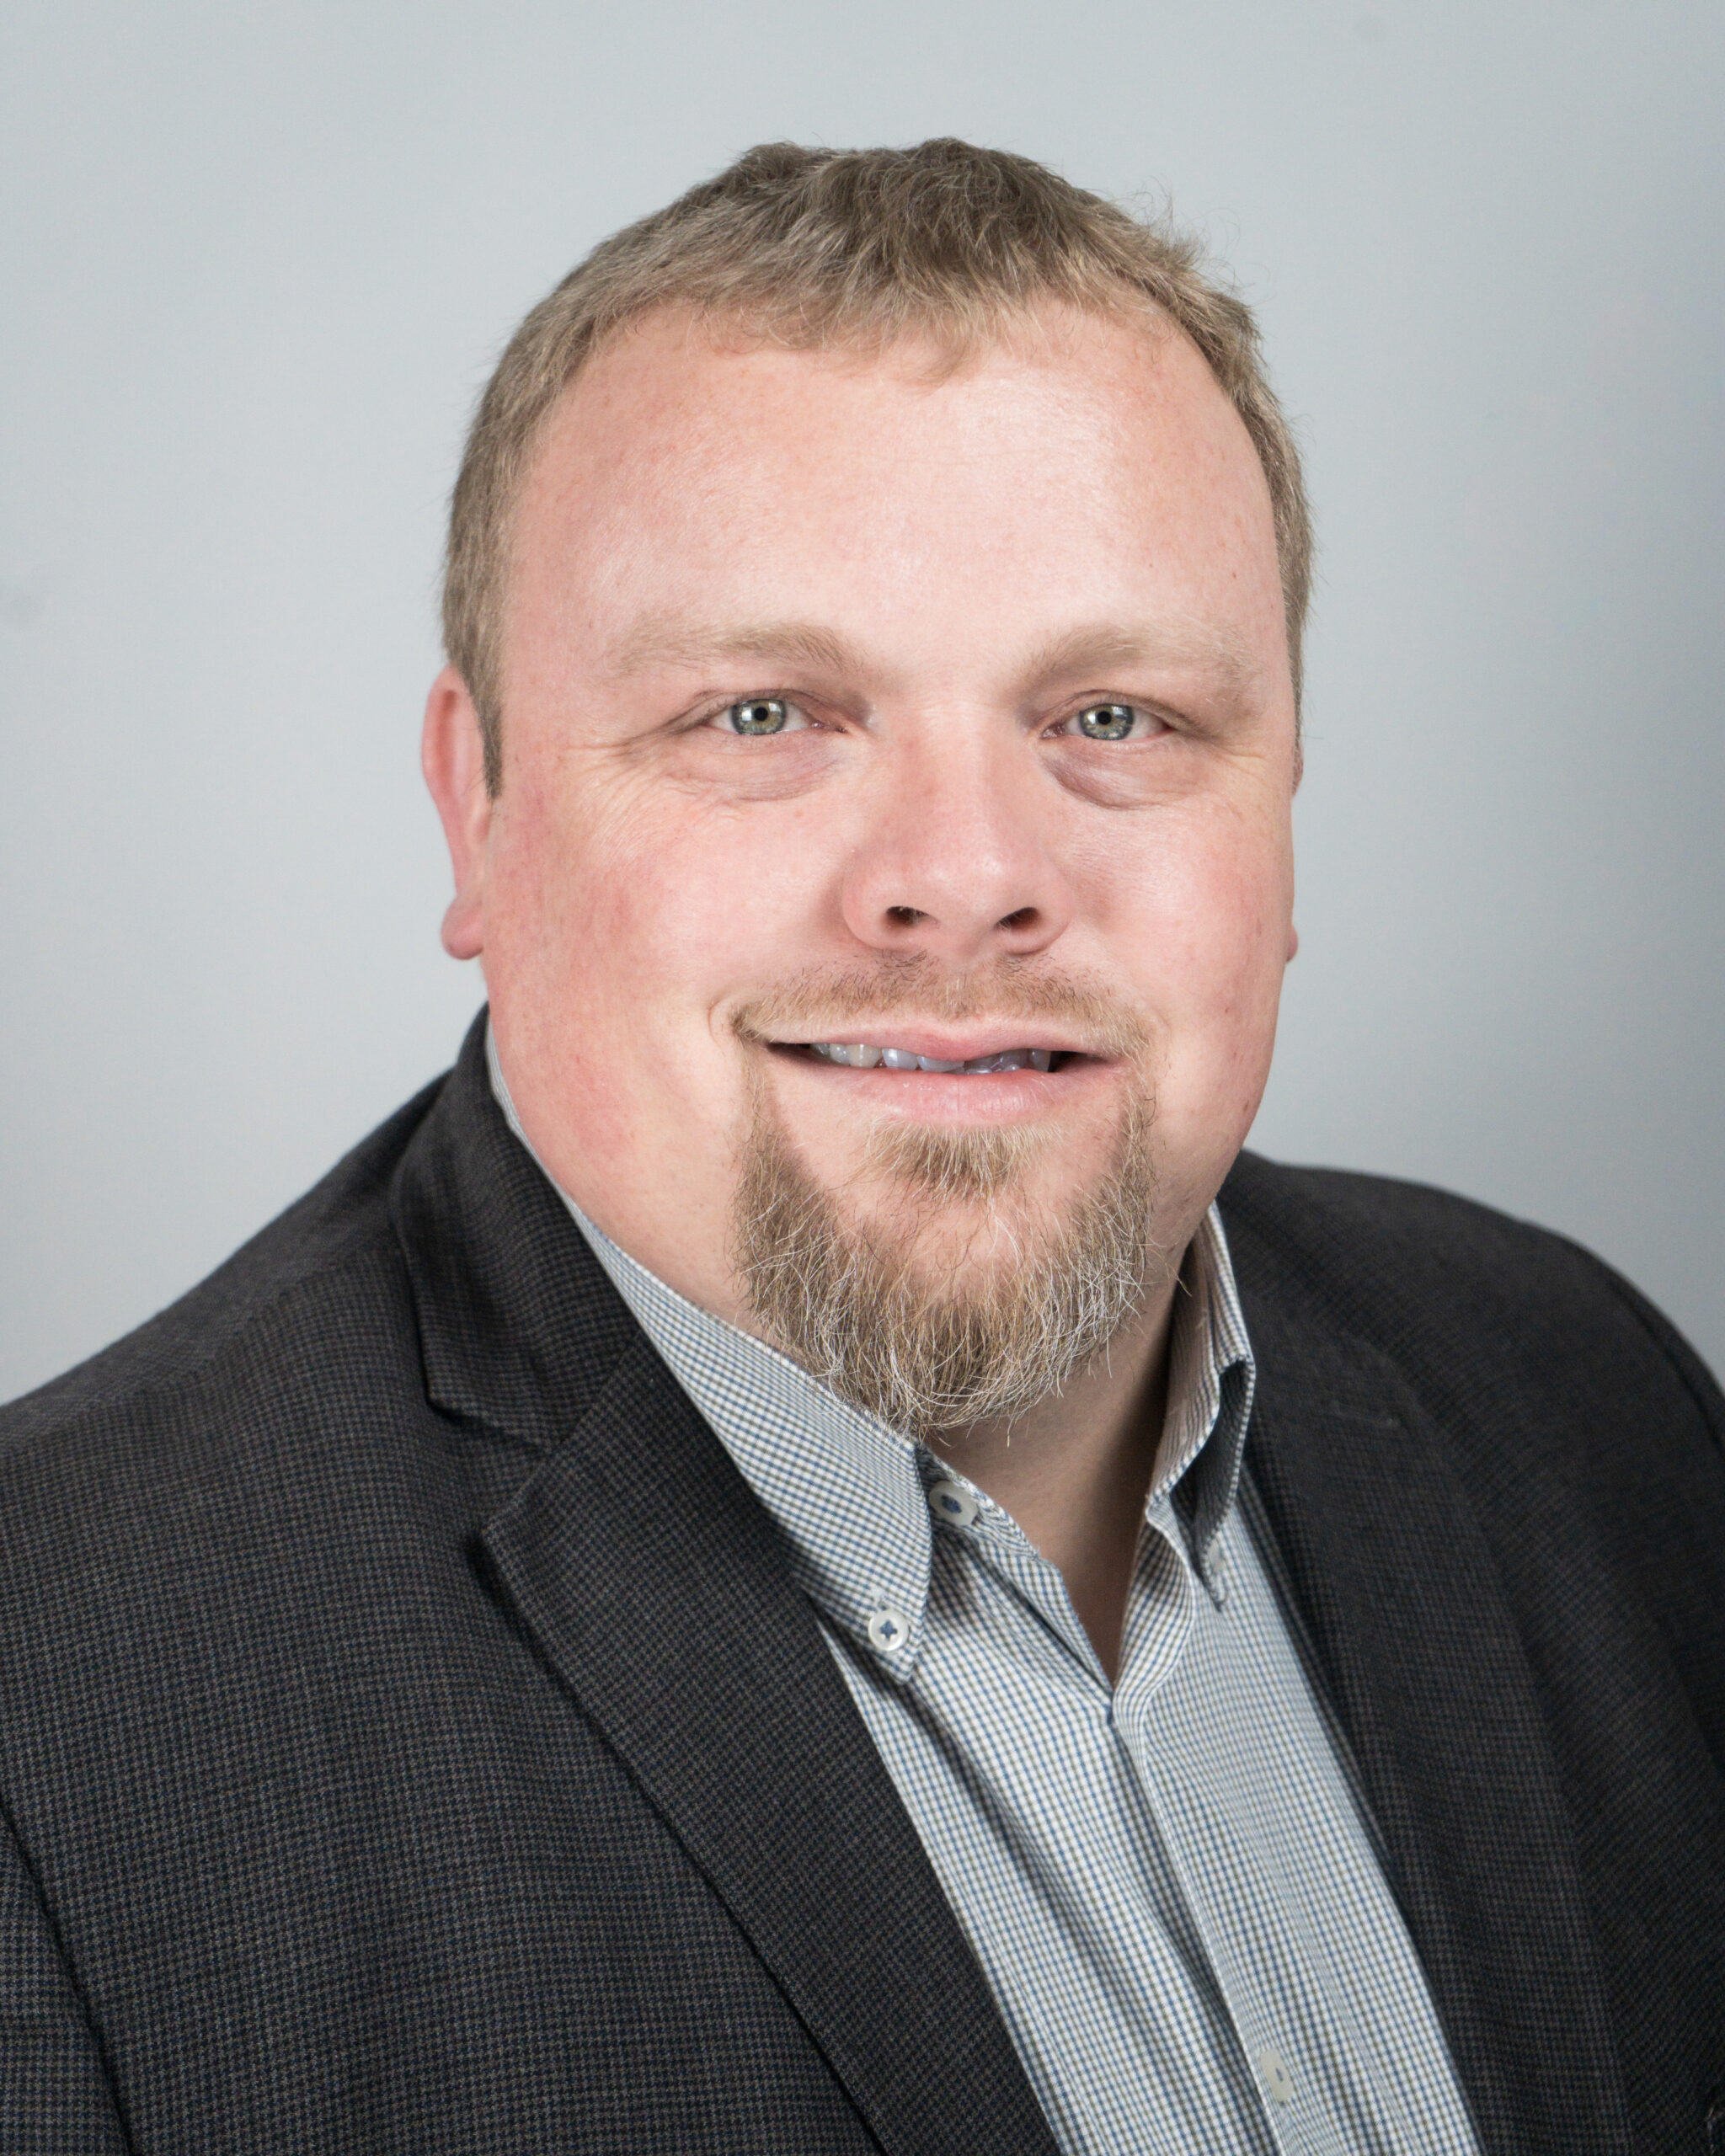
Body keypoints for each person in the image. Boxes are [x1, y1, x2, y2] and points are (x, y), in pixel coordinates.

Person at [1, 139, 1719, 2156]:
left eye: (1114, 717)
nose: (966, 876)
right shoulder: (59, 1716)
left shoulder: (1591, 1400)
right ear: (477, 807)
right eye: (762, 716)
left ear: (1283, 801)